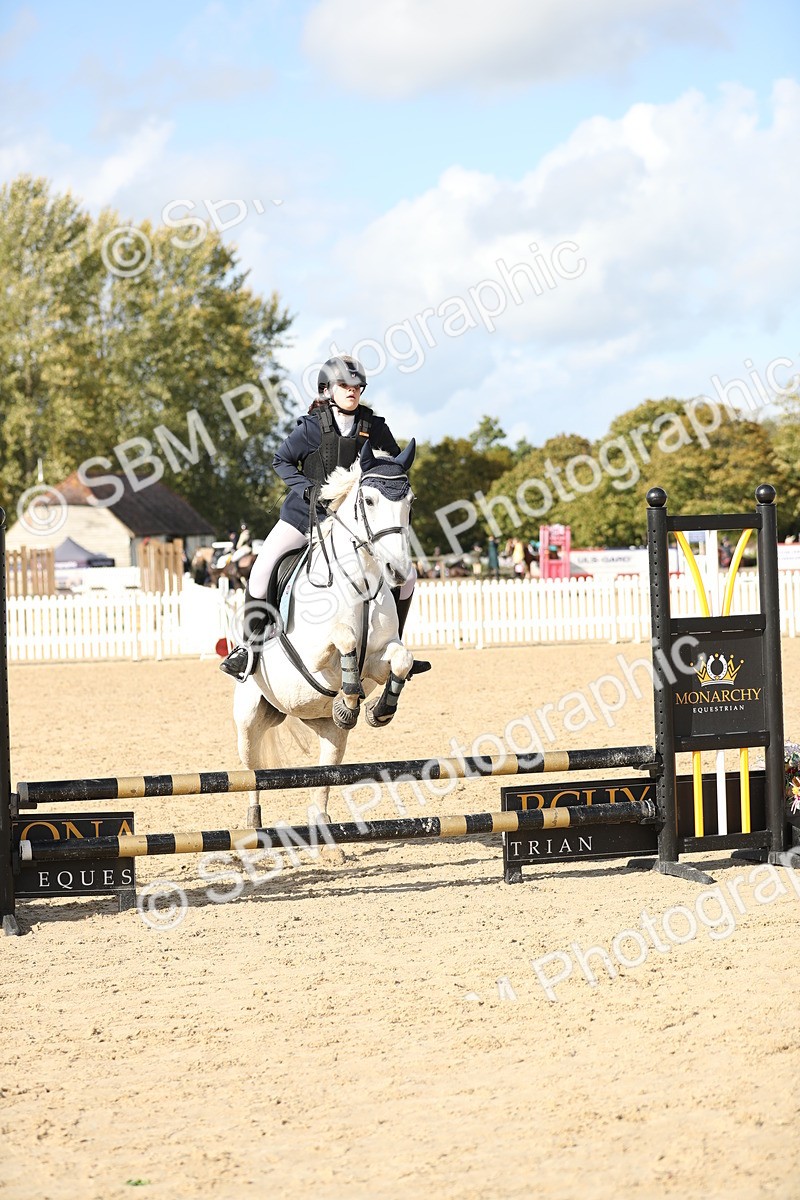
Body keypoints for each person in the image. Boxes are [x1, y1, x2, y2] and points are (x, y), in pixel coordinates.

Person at [220, 354, 428, 681]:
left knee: (410, 577)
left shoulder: (374, 427)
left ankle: (395, 640)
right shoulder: (312, 427)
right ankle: (249, 647)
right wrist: (307, 490)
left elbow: (391, 466)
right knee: (261, 569)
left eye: (358, 387)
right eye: (344, 385)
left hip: (353, 523)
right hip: (305, 516)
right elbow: (281, 461)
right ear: (328, 389)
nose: (352, 391)